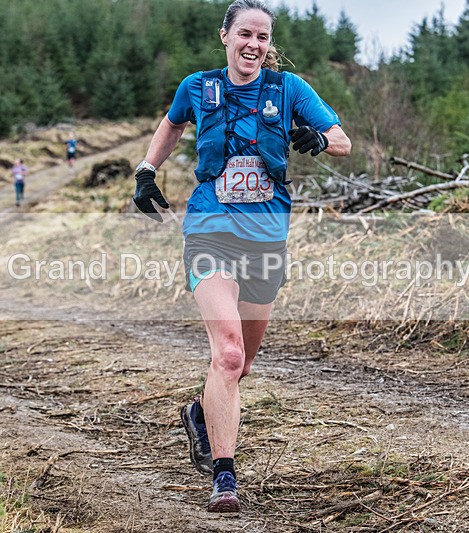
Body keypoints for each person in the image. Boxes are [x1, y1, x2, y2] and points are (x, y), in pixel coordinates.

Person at [132, 0, 350, 513]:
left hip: (266, 241)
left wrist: (317, 136)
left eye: (263, 36)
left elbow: (341, 141)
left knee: (242, 364)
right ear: (225, 36)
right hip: (209, 230)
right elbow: (172, 125)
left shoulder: (288, 89)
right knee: (226, 354)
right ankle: (224, 480)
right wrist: (146, 170)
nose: (254, 44)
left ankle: (200, 412)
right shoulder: (198, 86)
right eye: (245, 33)